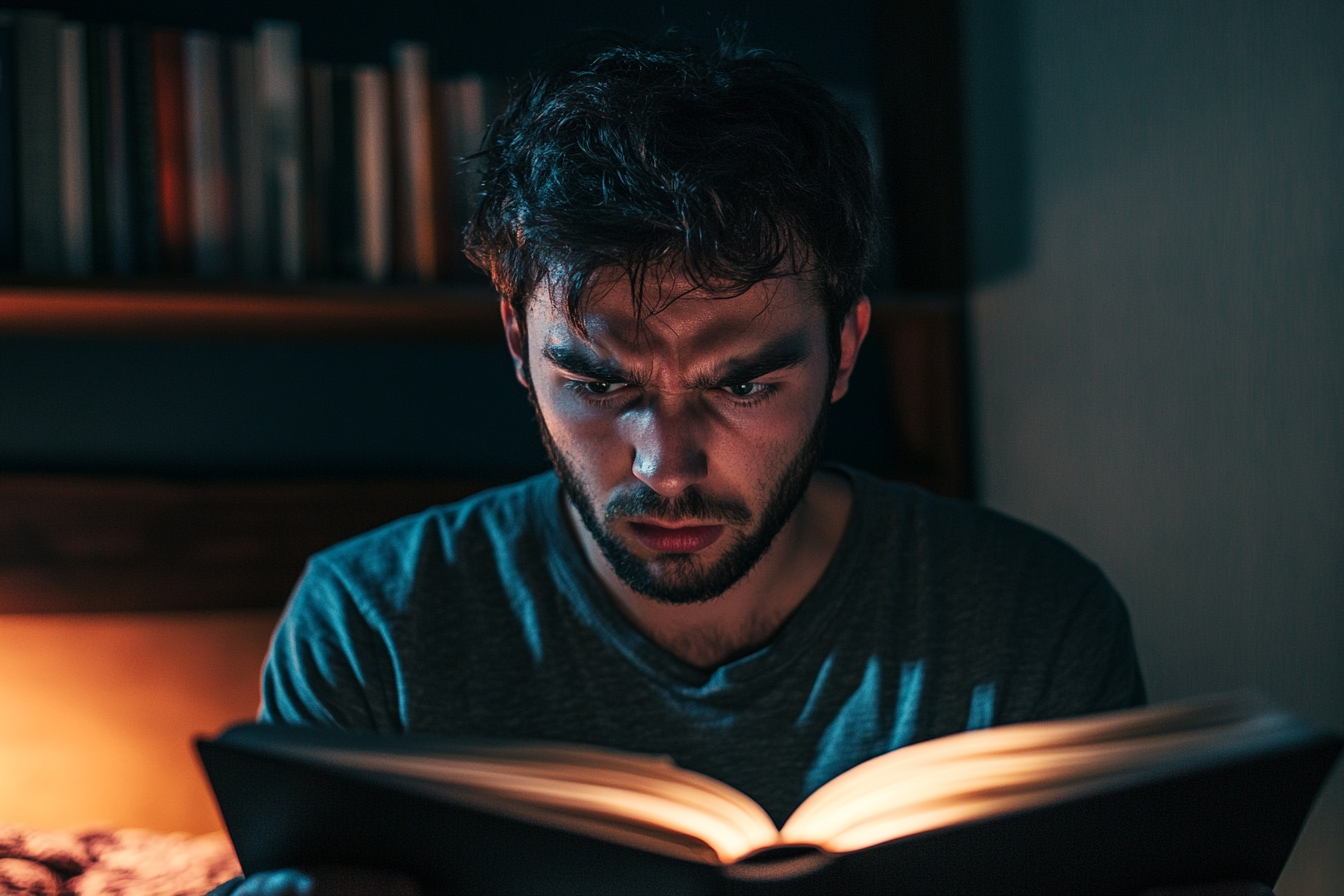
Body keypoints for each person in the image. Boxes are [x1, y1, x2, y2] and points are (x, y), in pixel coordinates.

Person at [224, 32, 1153, 896]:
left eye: (743, 387)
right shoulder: (371, 628)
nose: (666, 467)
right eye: (597, 383)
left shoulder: (1036, 627)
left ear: (846, 349)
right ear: (518, 342)